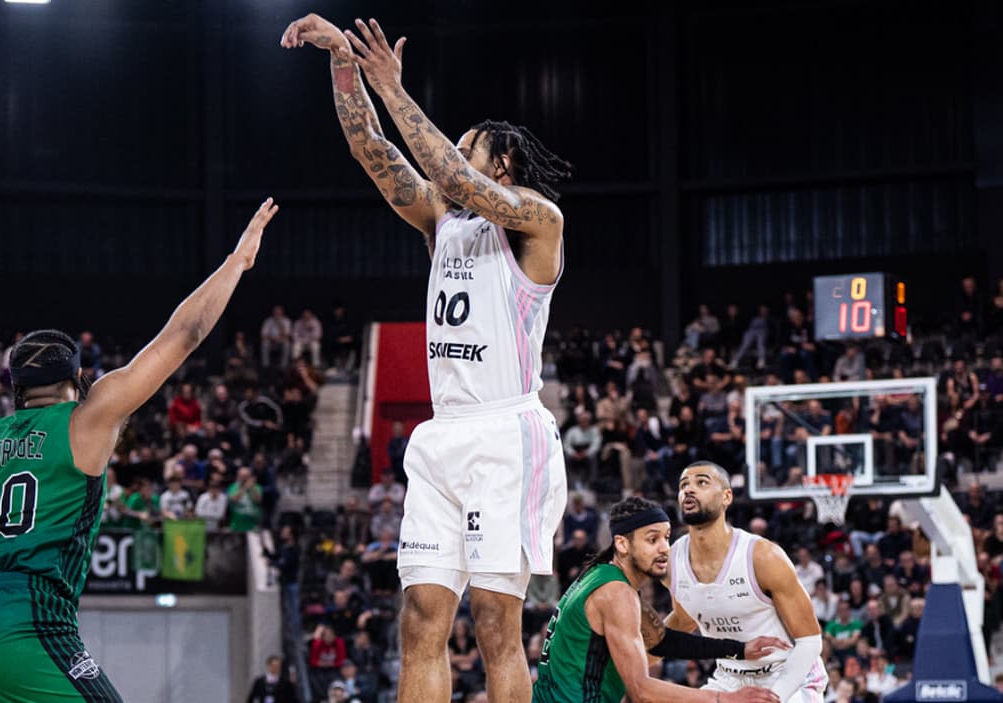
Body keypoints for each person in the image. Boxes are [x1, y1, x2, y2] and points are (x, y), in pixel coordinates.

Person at [0, 199, 278, 702]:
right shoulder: (89, 417)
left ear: (15, 389)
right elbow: (184, 335)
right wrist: (238, 259)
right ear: (77, 379)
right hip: (26, 621)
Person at [283, 15, 572, 703]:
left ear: (502, 163)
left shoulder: (538, 219)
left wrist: (395, 90)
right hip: (443, 434)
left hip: (508, 433)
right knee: (420, 620)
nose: (455, 152)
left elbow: (449, 171)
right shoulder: (442, 220)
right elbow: (372, 152)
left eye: (470, 145)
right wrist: (343, 64)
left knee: (497, 623)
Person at [534, 497, 784, 703]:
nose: (665, 547)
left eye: (666, 537)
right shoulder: (616, 593)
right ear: (622, 544)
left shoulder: (601, 576)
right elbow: (641, 690)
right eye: (652, 539)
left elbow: (659, 640)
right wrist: (724, 698)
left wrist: (739, 649)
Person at [665, 462, 828, 703]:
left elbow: (810, 642)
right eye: (683, 485)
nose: (689, 490)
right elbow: (684, 619)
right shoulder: (672, 561)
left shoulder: (762, 556)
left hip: (787, 674)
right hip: (728, 679)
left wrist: (774, 698)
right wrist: (636, 654)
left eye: (701, 483)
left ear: (726, 497)